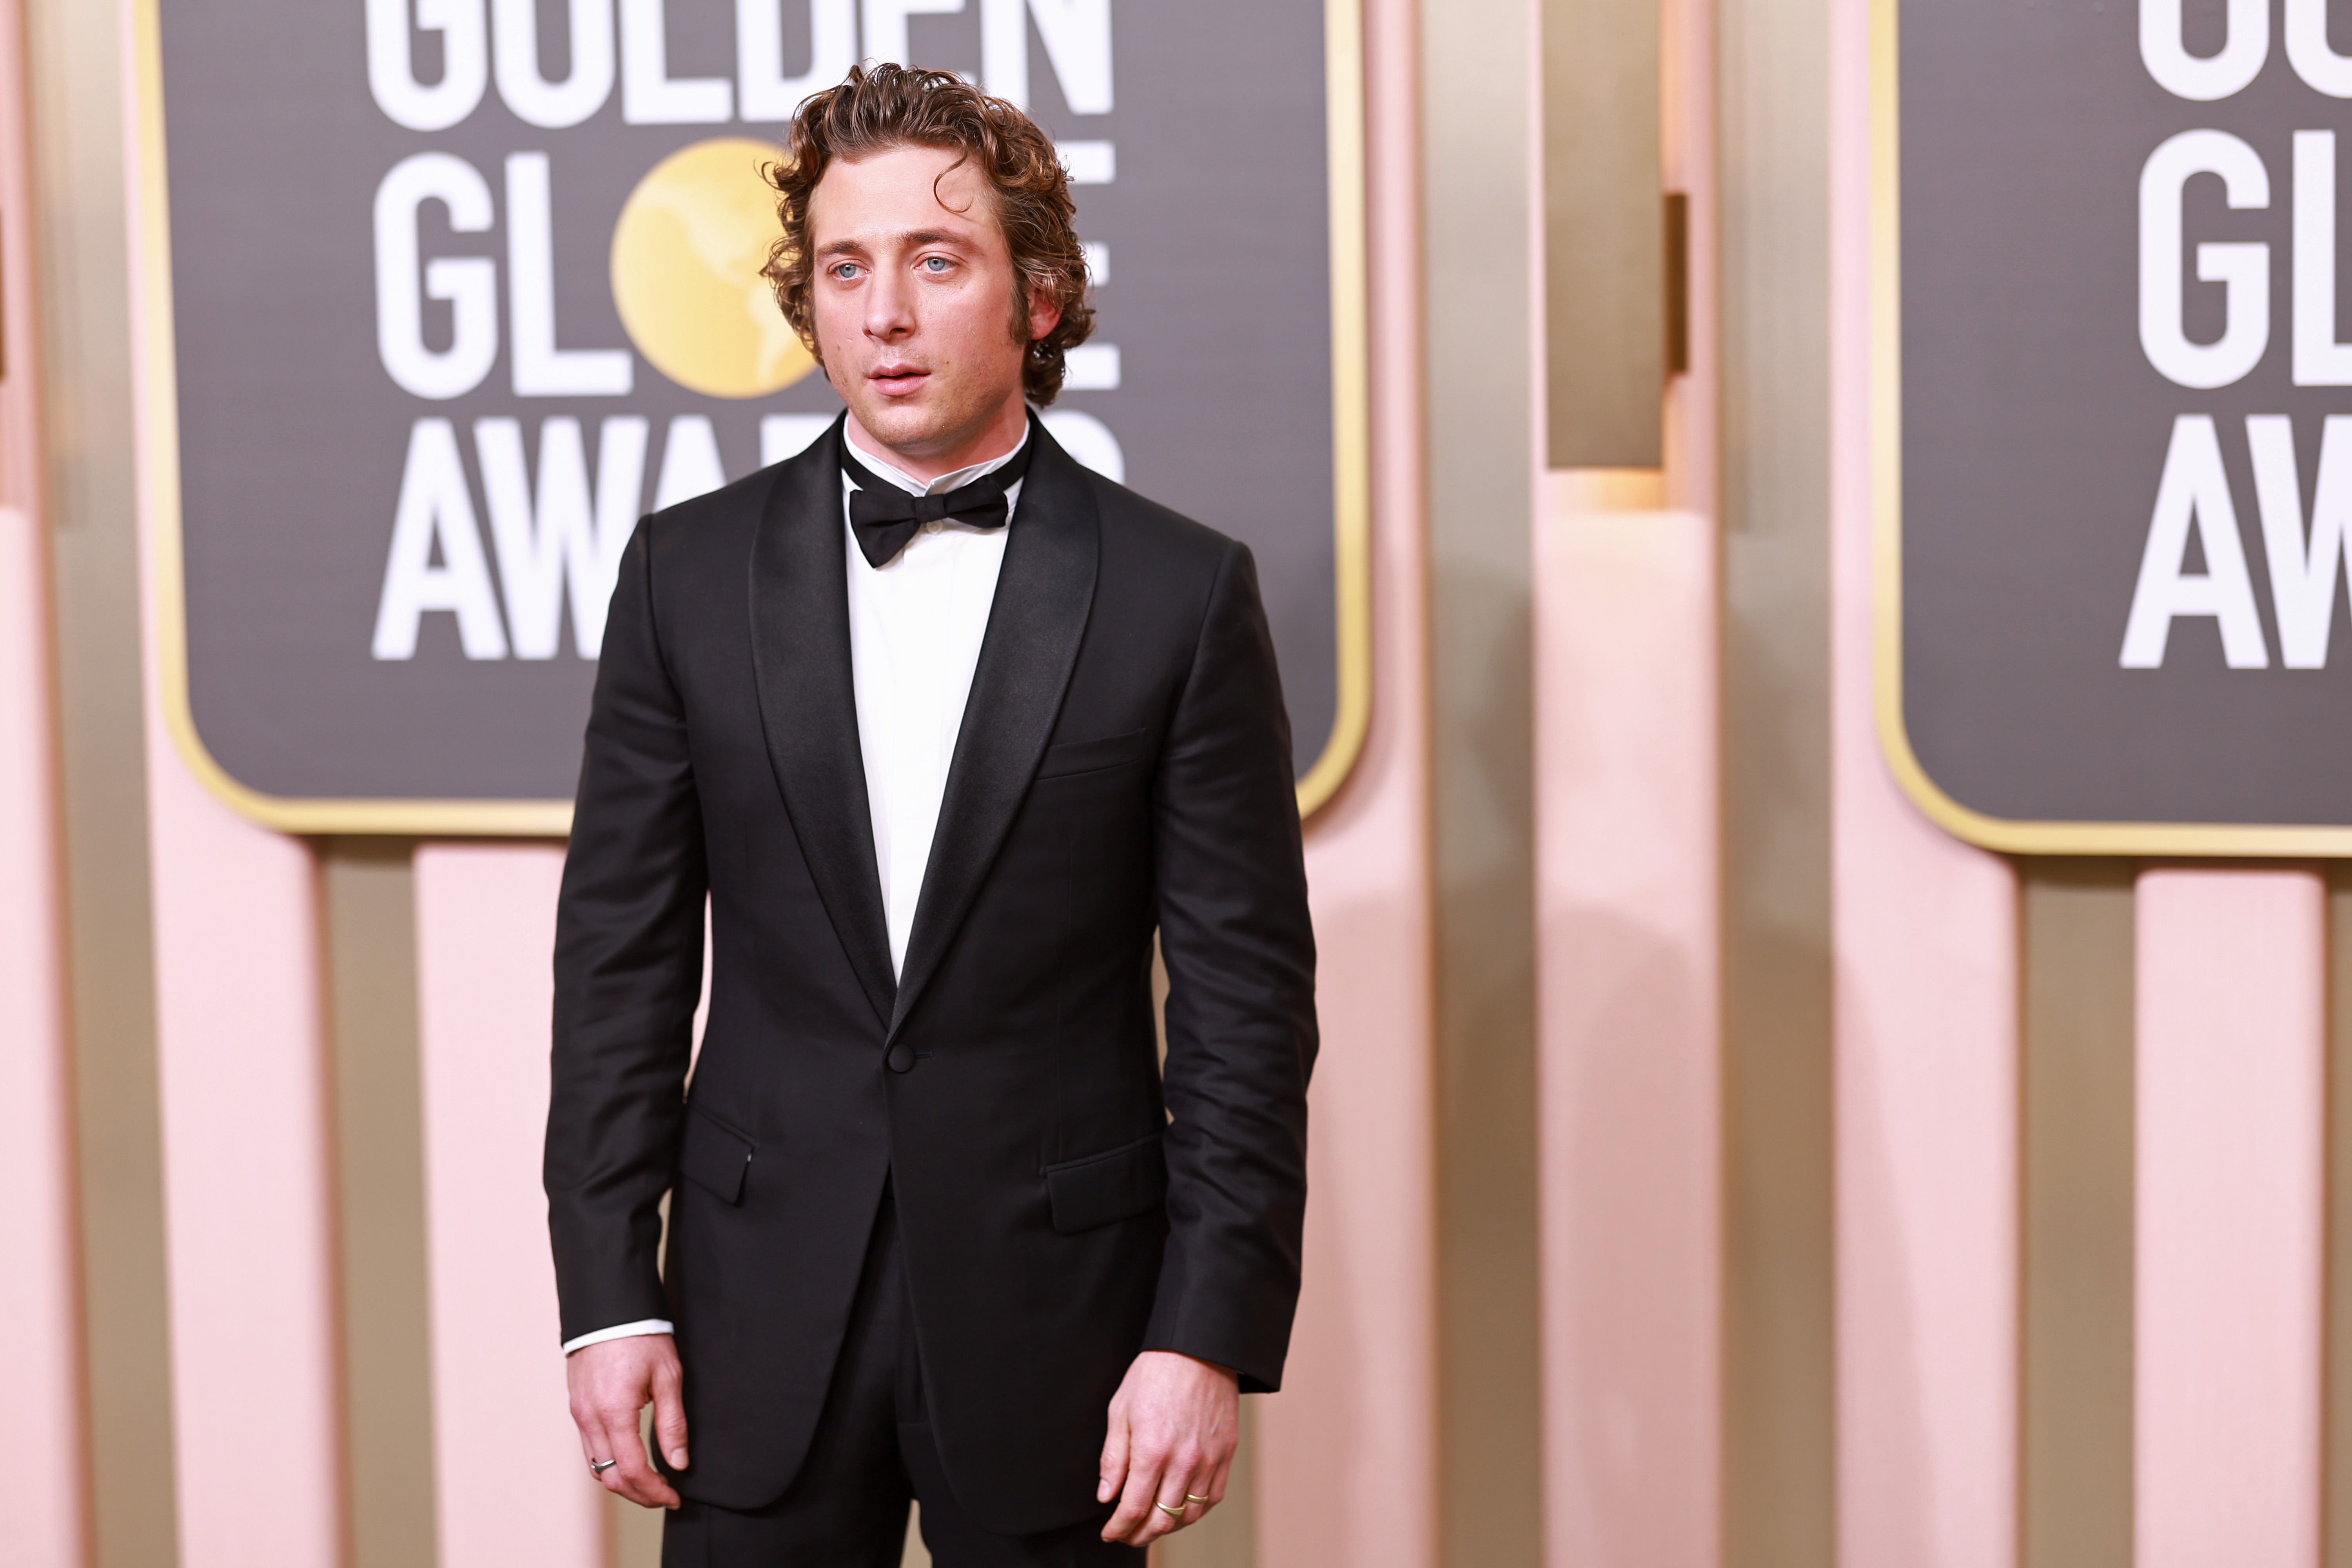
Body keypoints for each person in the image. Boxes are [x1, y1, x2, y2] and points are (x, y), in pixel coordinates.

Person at [544, 63, 1318, 1568]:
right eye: (847, 268)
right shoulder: (680, 577)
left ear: (1037, 295)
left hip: (1067, 1339)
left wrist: (1204, 1335)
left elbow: (1245, 1010)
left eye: (934, 261)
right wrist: (609, 1294)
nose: (883, 314)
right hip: (749, 1324)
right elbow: (618, 968)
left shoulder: (1181, 594)